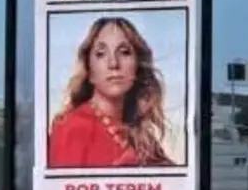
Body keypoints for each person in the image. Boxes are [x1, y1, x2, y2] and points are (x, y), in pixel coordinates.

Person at [48, 16, 173, 168]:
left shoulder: (140, 136)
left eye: (124, 52)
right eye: (101, 54)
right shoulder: (71, 129)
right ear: (89, 70)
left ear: (138, 66)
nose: (113, 63)